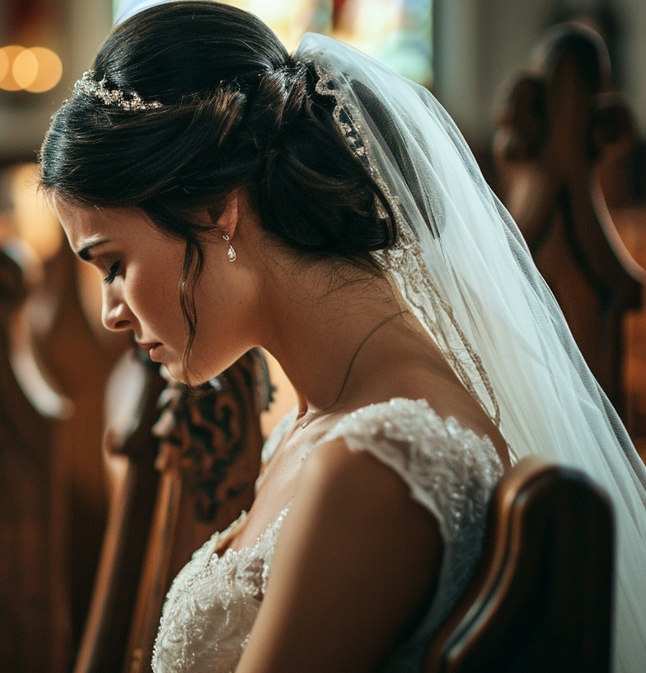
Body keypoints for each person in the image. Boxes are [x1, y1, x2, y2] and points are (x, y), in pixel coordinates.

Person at [39, 2, 646, 672]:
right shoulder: (321, 423)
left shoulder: (371, 464)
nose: (111, 313)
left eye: (113, 264)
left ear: (216, 211)